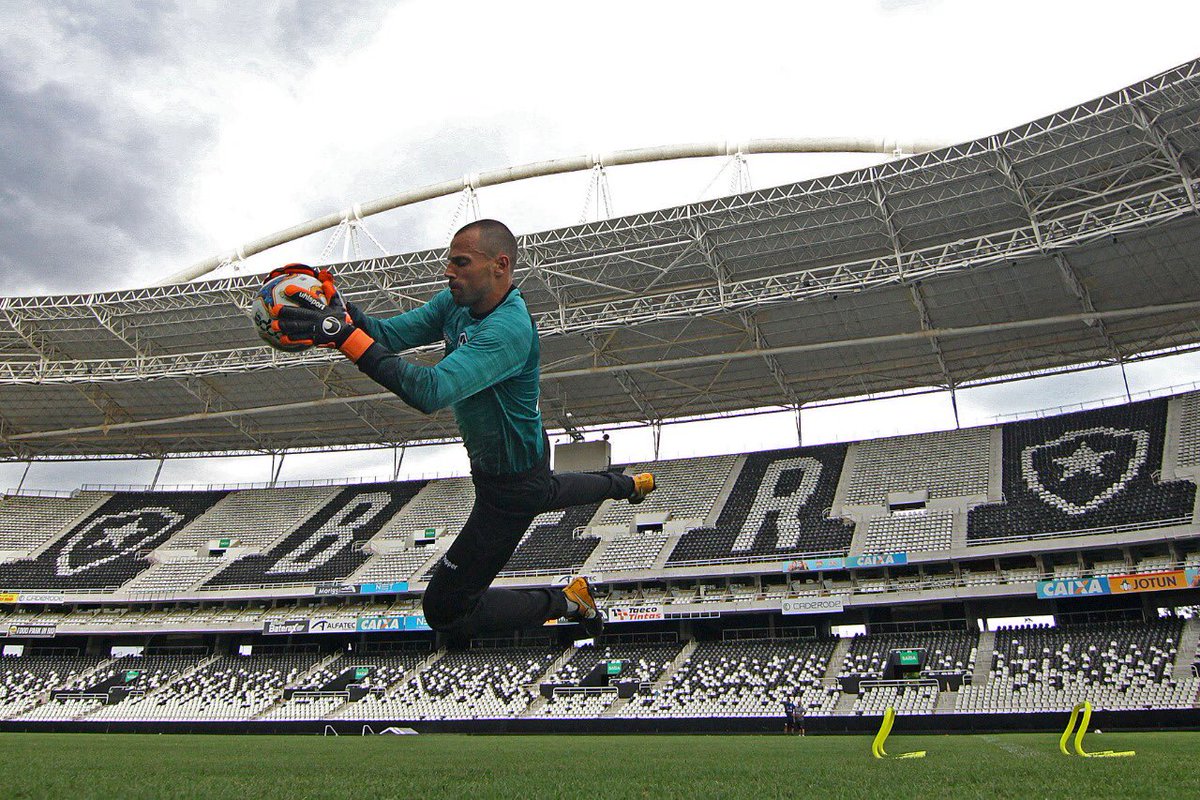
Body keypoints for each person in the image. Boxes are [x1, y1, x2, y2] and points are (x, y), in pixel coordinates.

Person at [269, 219, 655, 640]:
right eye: (449, 261)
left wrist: (343, 336)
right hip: (516, 459)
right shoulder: (455, 302)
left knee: (447, 611)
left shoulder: (509, 329)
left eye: (460, 262)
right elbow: (387, 336)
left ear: (499, 266)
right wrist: (345, 312)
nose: (448, 271)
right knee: (546, 491)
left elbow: (430, 391)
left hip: (508, 483)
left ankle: (567, 601)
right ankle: (627, 485)